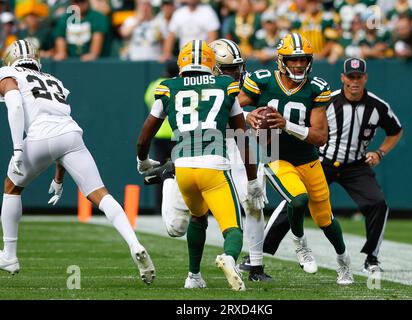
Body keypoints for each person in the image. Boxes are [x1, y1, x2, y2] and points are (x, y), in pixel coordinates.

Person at [0, 40, 155, 285]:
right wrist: (59, 178)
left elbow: (16, 106)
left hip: (38, 137)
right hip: (71, 135)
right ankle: (134, 243)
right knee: (100, 193)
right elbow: (59, 129)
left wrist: (18, 147)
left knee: (12, 188)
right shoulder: (53, 80)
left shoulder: (8, 73)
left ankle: (9, 256)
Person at [136, 40, 266, 291]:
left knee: (196, 219)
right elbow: (241, 139)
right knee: (232, 228)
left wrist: (143, 162)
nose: (233, 73)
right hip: (213, 164)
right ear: (213, 65)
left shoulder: (168, 87)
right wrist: (252, 182)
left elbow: (143, 138)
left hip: (183, 167)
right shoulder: (226, 86)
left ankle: (193, 277)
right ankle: (229, 258)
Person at [255, 58, 403, 273]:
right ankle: (261, 253)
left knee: (378, 204)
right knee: (294, 200)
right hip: (322, 160)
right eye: (350, 77)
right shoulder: (326, 99)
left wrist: (380, 152)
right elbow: (307, 128)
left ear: (365, 78)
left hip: (355, 165)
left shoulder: (377, 105)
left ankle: (372, 257)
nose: (354, 81)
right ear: (342, 78)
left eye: (358, 77)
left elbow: (396, 130)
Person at [238, 32, 354, 285]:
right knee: (298, 199)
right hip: (275, 155)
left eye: (303, 59)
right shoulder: (263, 81)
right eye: (293, 60)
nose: (299, 64)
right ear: (282, 60)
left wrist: (286, 125)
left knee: (326, 220)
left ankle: (344, 262)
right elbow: (233, 106)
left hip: (307, 159)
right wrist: (247, 117)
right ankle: (300, 243)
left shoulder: (316, 88)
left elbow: (320, 136)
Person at [143, 60, 178, 214]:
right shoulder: (179, 85)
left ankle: (160, 208)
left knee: (160, 173)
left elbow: (149, 102)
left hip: (159, 134)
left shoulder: (154, 85)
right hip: (176, 134)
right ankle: (179, 208)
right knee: (180, 172)